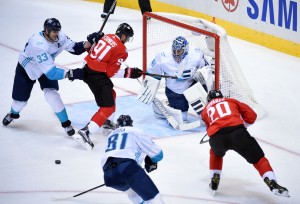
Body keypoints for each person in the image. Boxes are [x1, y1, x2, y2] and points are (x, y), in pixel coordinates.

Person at [2, 18, 94, 136]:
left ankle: (66, 124)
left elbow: (75, 48)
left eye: (58, 31)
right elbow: (52, 73)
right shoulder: (38, 44)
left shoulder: (60, 36)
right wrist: (71, 73)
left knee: (52, 94)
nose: (57, 34)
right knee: (20, 102)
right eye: (54, 31)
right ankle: (13, 114)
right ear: (46, 30)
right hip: (27, 69)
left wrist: (89, 42)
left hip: (46, 67)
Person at [200, 90, 290, 197]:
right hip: (238, 134)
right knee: (259, 159)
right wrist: (242, 125)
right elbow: (252, 115)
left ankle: (214, 179)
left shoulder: (205, 111)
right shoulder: (231, 100)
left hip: (217, 138)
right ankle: (272, 182)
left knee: (215, 153)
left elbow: (209, 127)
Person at [72, 23, 143, 150]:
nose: (126, 41)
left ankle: (106, 122)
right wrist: (129, 73)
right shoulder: (121, 50)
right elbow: (110, 72)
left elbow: (91, 50)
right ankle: (85, 132)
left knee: (112, 94)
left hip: (87, 68)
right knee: (108, 107)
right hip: (96, 75)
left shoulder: (106, 37)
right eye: (127, 38)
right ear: (122, 36)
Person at [147, 36, 212, 123]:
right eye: (174, 51)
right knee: (182, 118)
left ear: (185, 49)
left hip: (192, 87)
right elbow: (152, 74)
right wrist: (149, 90)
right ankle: (167, 109)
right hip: (175, 91)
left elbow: (208, 68)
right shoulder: (163, 57)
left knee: (206, 116)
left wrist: (200, 72)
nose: (176, 54)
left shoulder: (196, 54)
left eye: (179, 51)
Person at [101, 114, 164, 204]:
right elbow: (158, 154)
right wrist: (150, 161)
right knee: (153, 199)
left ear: (117, 125)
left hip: (108, 174)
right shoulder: (135, 131)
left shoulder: (110, 135)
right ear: (131, 124)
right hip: (128, 168)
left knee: (134, 195)